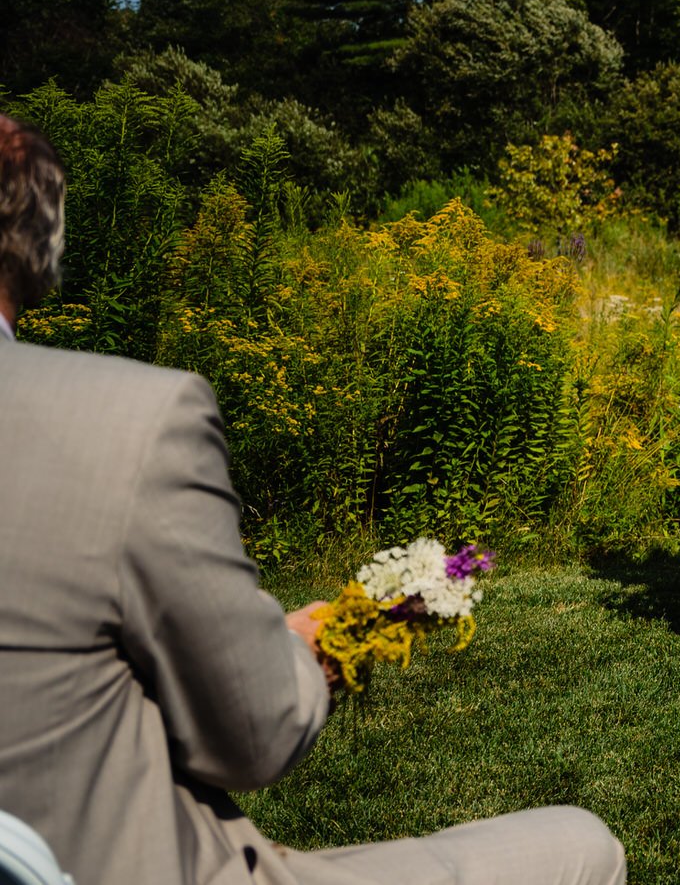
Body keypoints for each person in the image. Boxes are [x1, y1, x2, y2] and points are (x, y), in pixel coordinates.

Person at [0, 114, 628, 885]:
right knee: (582, 842)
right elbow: (255, 737)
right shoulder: (127, 422)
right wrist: (315, 645)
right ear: (37, 251)